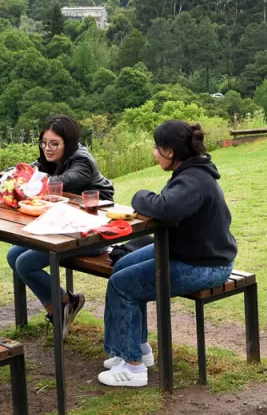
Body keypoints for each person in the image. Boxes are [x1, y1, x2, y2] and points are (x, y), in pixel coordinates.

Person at [98, 120, 237, 387]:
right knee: (121, 266)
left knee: (122, 285)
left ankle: (134, 369)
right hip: (188, 252)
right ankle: (136, 349)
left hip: (205, 264)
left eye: (157, 148)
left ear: (170, 152)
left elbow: (166, 209)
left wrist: (139, 195)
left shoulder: (193, 180)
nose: (154, 153)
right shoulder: (192, 172)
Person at [6, 116, 114, 340]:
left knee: (25, 263)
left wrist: (26, 181)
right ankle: (63, 304)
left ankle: (60, 309)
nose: (47, 148)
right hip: (64, 228)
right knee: (13, 254)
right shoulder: (50, 159)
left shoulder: (82, 161)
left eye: (54, 144)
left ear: (69, 143)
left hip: (93, 233)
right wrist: (11, 176)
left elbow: (56, 183)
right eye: (44, 142)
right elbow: (30, 172)